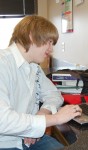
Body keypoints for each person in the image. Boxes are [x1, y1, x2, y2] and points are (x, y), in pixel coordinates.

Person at [0, 15, 82, 150]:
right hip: (5, 142)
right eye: (49, 42)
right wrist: (55, 118)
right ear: (31, 36)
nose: (51, 49)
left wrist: (43, 113)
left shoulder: (33, 67)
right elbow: (2, 120)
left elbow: (54, 94)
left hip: (30, 138)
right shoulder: (3, 63)